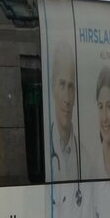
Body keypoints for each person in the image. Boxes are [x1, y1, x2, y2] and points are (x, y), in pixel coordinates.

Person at [48, 41, 80, 181]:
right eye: (62, 84)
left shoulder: (87, 160)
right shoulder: (43, 150)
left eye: (71, 86)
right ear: (52, 89)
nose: (67, 99)